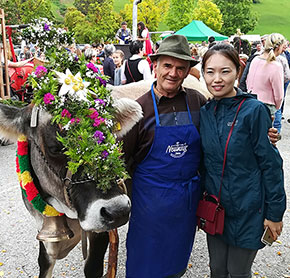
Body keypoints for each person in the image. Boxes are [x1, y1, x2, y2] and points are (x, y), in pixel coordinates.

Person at [121, 35, 205, 278]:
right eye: (167, 65)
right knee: (144, 264)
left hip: (185, 204)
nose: (173, 73)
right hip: (149, 205)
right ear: (155, 65)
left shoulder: (197, 101)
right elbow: (123, 162)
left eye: (181, 68)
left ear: (188, 71)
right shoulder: (138, 109)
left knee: (176, 263)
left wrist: (263, 132)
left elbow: (221, 134)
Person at [200, 43, 286, 278]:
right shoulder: (205, 112)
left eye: (225, 71)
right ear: (202, 73)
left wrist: (275, 213)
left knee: (238, 272)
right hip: (217, 209)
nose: (217, 79)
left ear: (238, 71)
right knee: (217, 270)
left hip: (249, 210)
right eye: (210, 71)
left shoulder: (254, 111)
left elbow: (271, 164)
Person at [246, 33, 285, 133]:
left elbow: (247, 81)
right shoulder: (276, 65)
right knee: (265, 139)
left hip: (250, 102)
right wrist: (276, 108)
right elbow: (279, 95)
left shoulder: (255, 59)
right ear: (279, 47)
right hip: (266, 106)